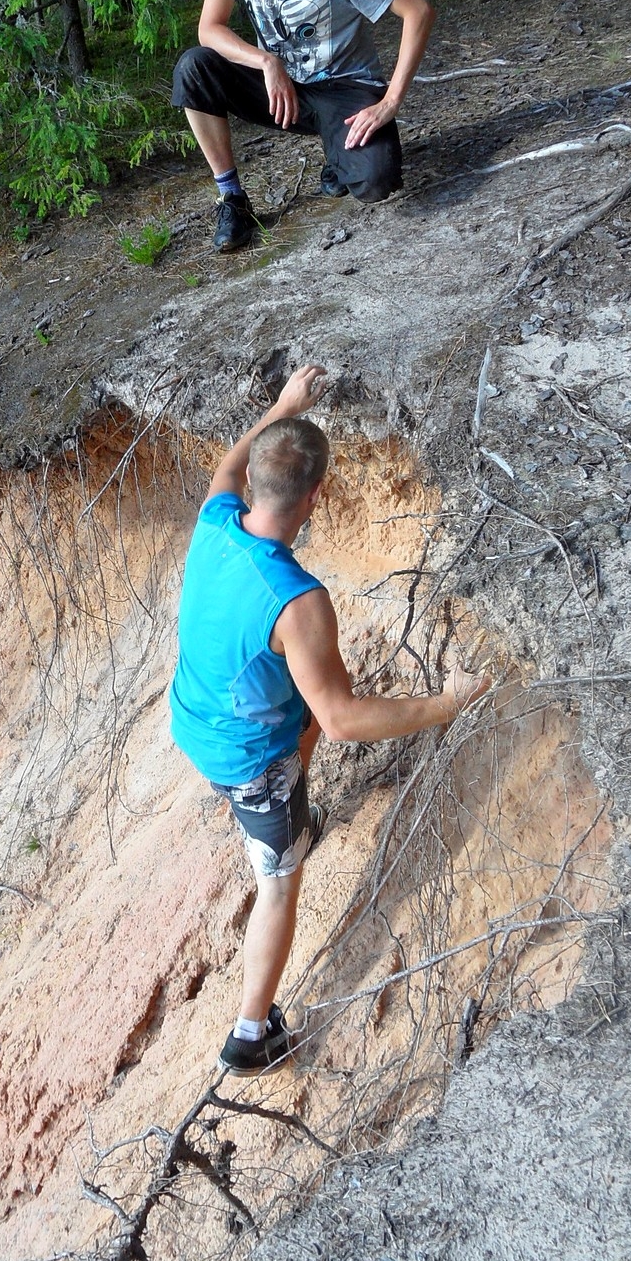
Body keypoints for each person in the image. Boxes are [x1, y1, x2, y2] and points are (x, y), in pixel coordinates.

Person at [169, 363, 491, 1077]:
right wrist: (449, 703)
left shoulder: (216, 519)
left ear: (255, 482)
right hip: (247, 761)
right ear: (316, 496)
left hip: (193, 717)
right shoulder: (298, 601)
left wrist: (283, 405)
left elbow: (227, 465)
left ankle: (297, 814)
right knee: (278, 882)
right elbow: (342, 719)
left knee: (300, 714)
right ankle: (250, 1034)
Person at [172, 0, 436, 254]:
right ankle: (232, 198)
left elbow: (418, 10)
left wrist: (390, 101)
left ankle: (337, 153)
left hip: (343, 87)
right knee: (194, 68)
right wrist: (266, 61)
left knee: (377, 181)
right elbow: (209, 28)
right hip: (280, 86)